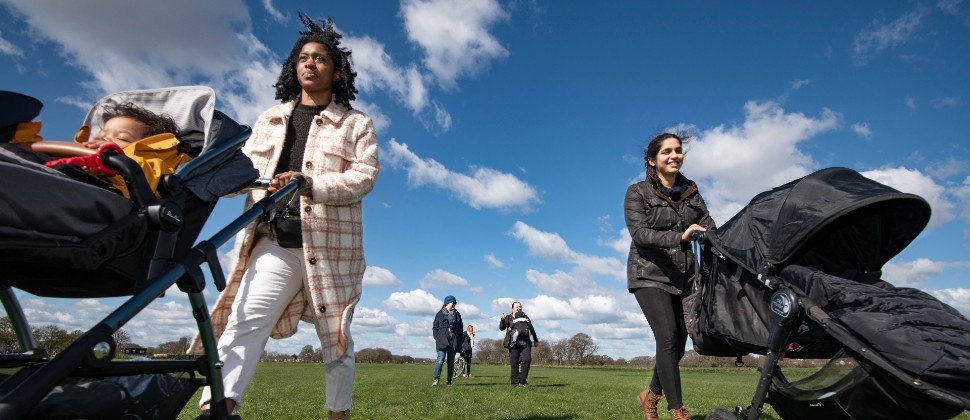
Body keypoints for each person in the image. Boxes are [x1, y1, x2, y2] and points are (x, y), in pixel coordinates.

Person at [189, 13, 379, 420]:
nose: (310, 63)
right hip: (274, 239)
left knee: (336, 339)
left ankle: (337, 414)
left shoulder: (356, 124)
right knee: (245, 319)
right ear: (294, 67)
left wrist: (310, 183)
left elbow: (364, 177)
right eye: (303, 57)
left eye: (320, 59)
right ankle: (217, 408)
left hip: (331, 246)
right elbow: (241, 173)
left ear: (337, 71)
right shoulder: (270, 119)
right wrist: (248, 180)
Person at [624, 132, 715, 420]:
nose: (674, 155)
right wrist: (680, 236)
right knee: (667, 337)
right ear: (652, 160)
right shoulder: (637, 192)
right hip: (649, 273)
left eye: (678, 150)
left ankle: (649, 395)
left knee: (679, 343)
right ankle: (677, 411)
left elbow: (710, 225)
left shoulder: (691, 192)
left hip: (684, 277)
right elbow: (640, 234)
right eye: (666, 152)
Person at [42, 102, 191, 199]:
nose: (103, 140)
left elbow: (147, 173)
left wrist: (111, 157)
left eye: (122, 138)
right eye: (100, 135)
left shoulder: (151, 168)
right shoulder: (76, 160)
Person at [499, 301, 539, 387]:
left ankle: (522, 379)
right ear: (512, 308)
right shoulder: (509, 317)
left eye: (520, 307)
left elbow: (531, 328)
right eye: (517, 307)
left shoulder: (526, 317)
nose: (519, 308)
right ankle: (514, 383)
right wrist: (502, 320)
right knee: (514, 363)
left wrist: (536, 340)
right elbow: (501, 328)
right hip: (513, 343)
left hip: (526, 343)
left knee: (527, 360)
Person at [432, 295, 464, 386]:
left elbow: (460, 327)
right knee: (440, 360)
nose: (454, 304)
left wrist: (459, 339)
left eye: (455, 303)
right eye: (453, 302)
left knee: (450, 362)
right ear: (447, 303)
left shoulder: (457, 314)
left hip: (453, 340)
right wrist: (437, 337)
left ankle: (449, 381)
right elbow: (435, 327)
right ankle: (436, 380)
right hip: (442, 339)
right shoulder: (439, 313)